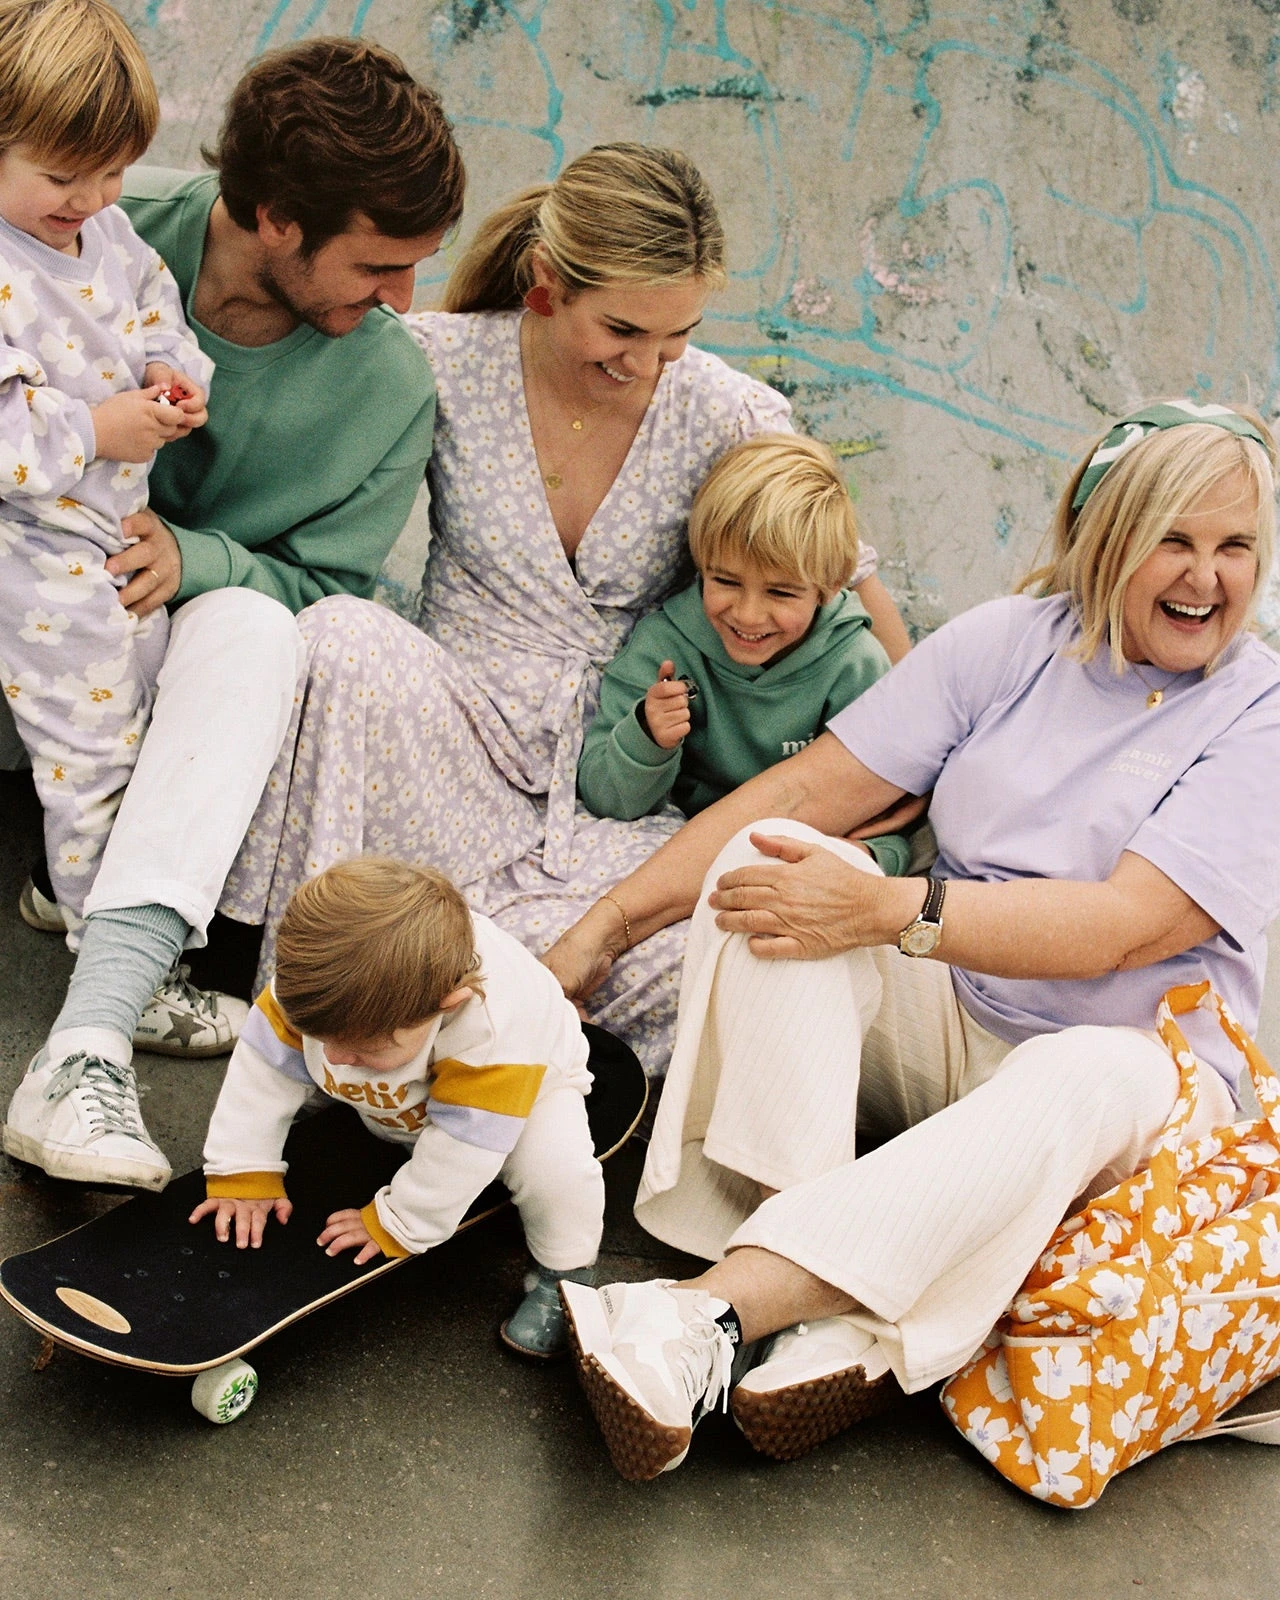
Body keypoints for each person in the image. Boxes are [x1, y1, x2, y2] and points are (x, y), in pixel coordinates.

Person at [544, 399, 1280, 1480]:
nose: (1205, 578)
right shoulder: (1010, 641)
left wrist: (900, 909)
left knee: (1088, 1065)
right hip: (958, 1021)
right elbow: (802, 794)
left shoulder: (1260, 714)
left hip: (1135, 1092)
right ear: (1106, 534)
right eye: (1174, 538)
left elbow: (1124, 930)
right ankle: (820, 1306)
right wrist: (602, 929)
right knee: (779, 859)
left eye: (1235, 547)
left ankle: (707, 1312)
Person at [216, 143, 909, 1080]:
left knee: (731, 953)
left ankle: (493, 1045)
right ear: (547, 279)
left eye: (678, 334)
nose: (649, 362)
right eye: (623, 328)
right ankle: (327, 1013)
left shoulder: (730, 413)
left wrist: (917, 772)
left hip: (620, 797)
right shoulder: (439, 362)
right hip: (447, 758)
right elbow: (287, 461)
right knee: (340, 636)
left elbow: (846, 581)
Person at [3, 37, 465, 1189]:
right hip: (27, 591)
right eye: (378, 265)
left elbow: (326, 597)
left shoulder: (389, 384)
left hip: (167, 665)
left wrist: (196, 557)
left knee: (260, 631)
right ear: (272, 218)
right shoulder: (88, 219)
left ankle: (88, 1042)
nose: (402, 300)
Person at [190, 858, 603, 1358]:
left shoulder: (497, 1033)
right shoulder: (321, 977)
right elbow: (262, 1069)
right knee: (302, 1069)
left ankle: (564, 1278)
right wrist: (242, 1166)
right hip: (409, 1089)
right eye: (322, 1039)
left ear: (448, 1003)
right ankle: (374, 1088)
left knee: (555, 1171)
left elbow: (464, 1146)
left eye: (361, 1049)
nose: (335, 1058)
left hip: (524, 1093)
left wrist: (400, 1221)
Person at [0, 0, 213, 929]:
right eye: (61, 175)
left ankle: (72, 894)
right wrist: (97, 429)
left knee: (152, 718)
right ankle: (105, 945)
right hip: (32, 549)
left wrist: (173, 374)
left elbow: (159, 310)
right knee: (91, 756)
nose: (88, 197)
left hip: (115, 531)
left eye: (112, 172)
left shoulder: (112, 235)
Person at [577, 432, 909, 873]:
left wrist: (864, 856)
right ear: (701, 566)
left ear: (829, 586)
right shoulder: (663, 648)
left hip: (792, 863)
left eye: (781, 592)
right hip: (682, 852)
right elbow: (605, 797)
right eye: (726, 582)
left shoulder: (856, 666)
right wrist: (648, 736)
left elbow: (891, 824)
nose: (749, 616)